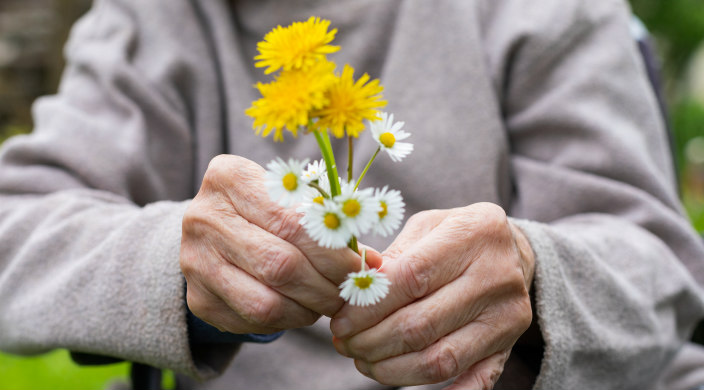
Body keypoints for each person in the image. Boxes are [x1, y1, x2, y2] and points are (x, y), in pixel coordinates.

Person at [0, 0, 703, 389]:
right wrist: (176, 264)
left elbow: (662, 271)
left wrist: (536, 274)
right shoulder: (148, 22)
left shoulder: (548, 13)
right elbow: (14, 229)